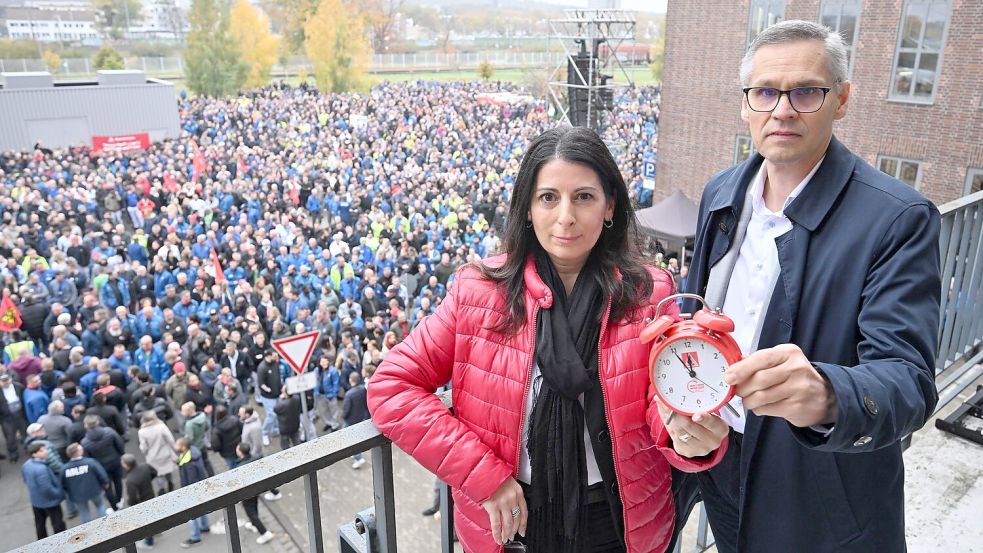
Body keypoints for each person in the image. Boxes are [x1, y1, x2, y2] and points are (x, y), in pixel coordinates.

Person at [368, 126, 729, 553]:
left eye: (583, 197)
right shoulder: (478, 294)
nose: (565, 217)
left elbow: (660, 403)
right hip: (510, 517)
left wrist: (686, 433)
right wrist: (484, 476)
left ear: (609, 205)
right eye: (548, 197)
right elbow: (392, 388)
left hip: (620, 523)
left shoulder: (649, 294)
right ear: (527, 208)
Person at [678, 20, 942, 553]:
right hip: (723, 463)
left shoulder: (898, 218)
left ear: (841, 100)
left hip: (820, 496)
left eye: (806, 92)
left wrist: (826, 395)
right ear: (745, 104)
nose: (783, 109)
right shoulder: (721, 192)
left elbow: (910, 384)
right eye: (766, 92)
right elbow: (696, 314)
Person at [231, 442, 276, 545]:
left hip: (247, 493)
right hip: (256, 488)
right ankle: (253, 523)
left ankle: (264, 533)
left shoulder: (239, 467)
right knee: (254, 507)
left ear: (240, 453)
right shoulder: (257, 457)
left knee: (251, 513)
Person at [80, 415, 125, 511]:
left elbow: (88, 458)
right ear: (97, 423)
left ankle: (114, 506)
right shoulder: (109, 431)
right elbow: (120, 444)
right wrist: (121, 454)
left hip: (101, 467)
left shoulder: (85, 442)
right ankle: (119, 499)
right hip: (115, 461)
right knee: (118, 481)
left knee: (107, 487)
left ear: (86, 426)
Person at [22, 442, 66, 539]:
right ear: (34, 454)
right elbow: (47, 489)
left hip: (36, 501)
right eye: (42, 450)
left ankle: (42, 543)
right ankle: (62, 541)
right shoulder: (41, 469)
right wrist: (59, 494)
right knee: (58, 523)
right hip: (50, 503)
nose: (46, 452)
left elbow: (25, 479)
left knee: (40, 524)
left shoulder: (26, 465)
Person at [60, 442, 110, 523]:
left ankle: (88, 530)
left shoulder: (65, 468)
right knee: (100, 506)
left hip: (77, 494)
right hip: (94, 490)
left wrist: (68, 492)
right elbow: (101, 474)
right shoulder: (90, 462)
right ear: (78, 452)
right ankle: (104, 524)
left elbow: (63, 483)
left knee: (84, 512)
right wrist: (105, 483)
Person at [175, 437, 210, 547]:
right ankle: (204, 526)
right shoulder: (193, 453)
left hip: (192, 490)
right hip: (200, 487)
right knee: (201, 506)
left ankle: (195, 537)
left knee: (192, 514)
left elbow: (191, 480)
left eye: (177, 445)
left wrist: (186, 493)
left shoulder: (188, 464)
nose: (175, 447)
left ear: (184, 447)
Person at [121, 453, 157, 549]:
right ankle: (156, 530)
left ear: (126, 465)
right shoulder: (145, 466)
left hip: (142, 503)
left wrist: (133, 505)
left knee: (146, 523)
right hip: (150, 494)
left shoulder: (130, 480)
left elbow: (132, 498)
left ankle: (149, 542)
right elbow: (155, 472)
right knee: (152, 516)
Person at [137, 410, 178, 496]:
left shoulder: (142, 432)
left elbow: (144, 448)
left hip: (153, 457)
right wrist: (175, 450)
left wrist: (143, 451)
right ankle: (170, 484)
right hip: (165, 453)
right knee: (168, 470)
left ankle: (161, 489)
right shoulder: (161, 426)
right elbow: (170, 440)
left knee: (158, 474)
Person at [342, 372, 370, 469]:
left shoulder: (349, 394)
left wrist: (344, 416)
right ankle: (355, 454)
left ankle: (358, 457)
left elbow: (346, 409)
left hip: (350, 419)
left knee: (350, 438)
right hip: (360, 417)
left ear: (350, 380)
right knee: (354, 436)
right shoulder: (363, 389)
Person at [0, 372, 27, 462]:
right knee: (10, 437)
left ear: (11, 379)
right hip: (7, 418)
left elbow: (24, 399)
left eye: (7, 380)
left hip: (20, 415)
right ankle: (13, 453)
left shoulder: (18, 386)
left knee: (25, 432)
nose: (6, 382)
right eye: (3, 381)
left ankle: (29, 447)